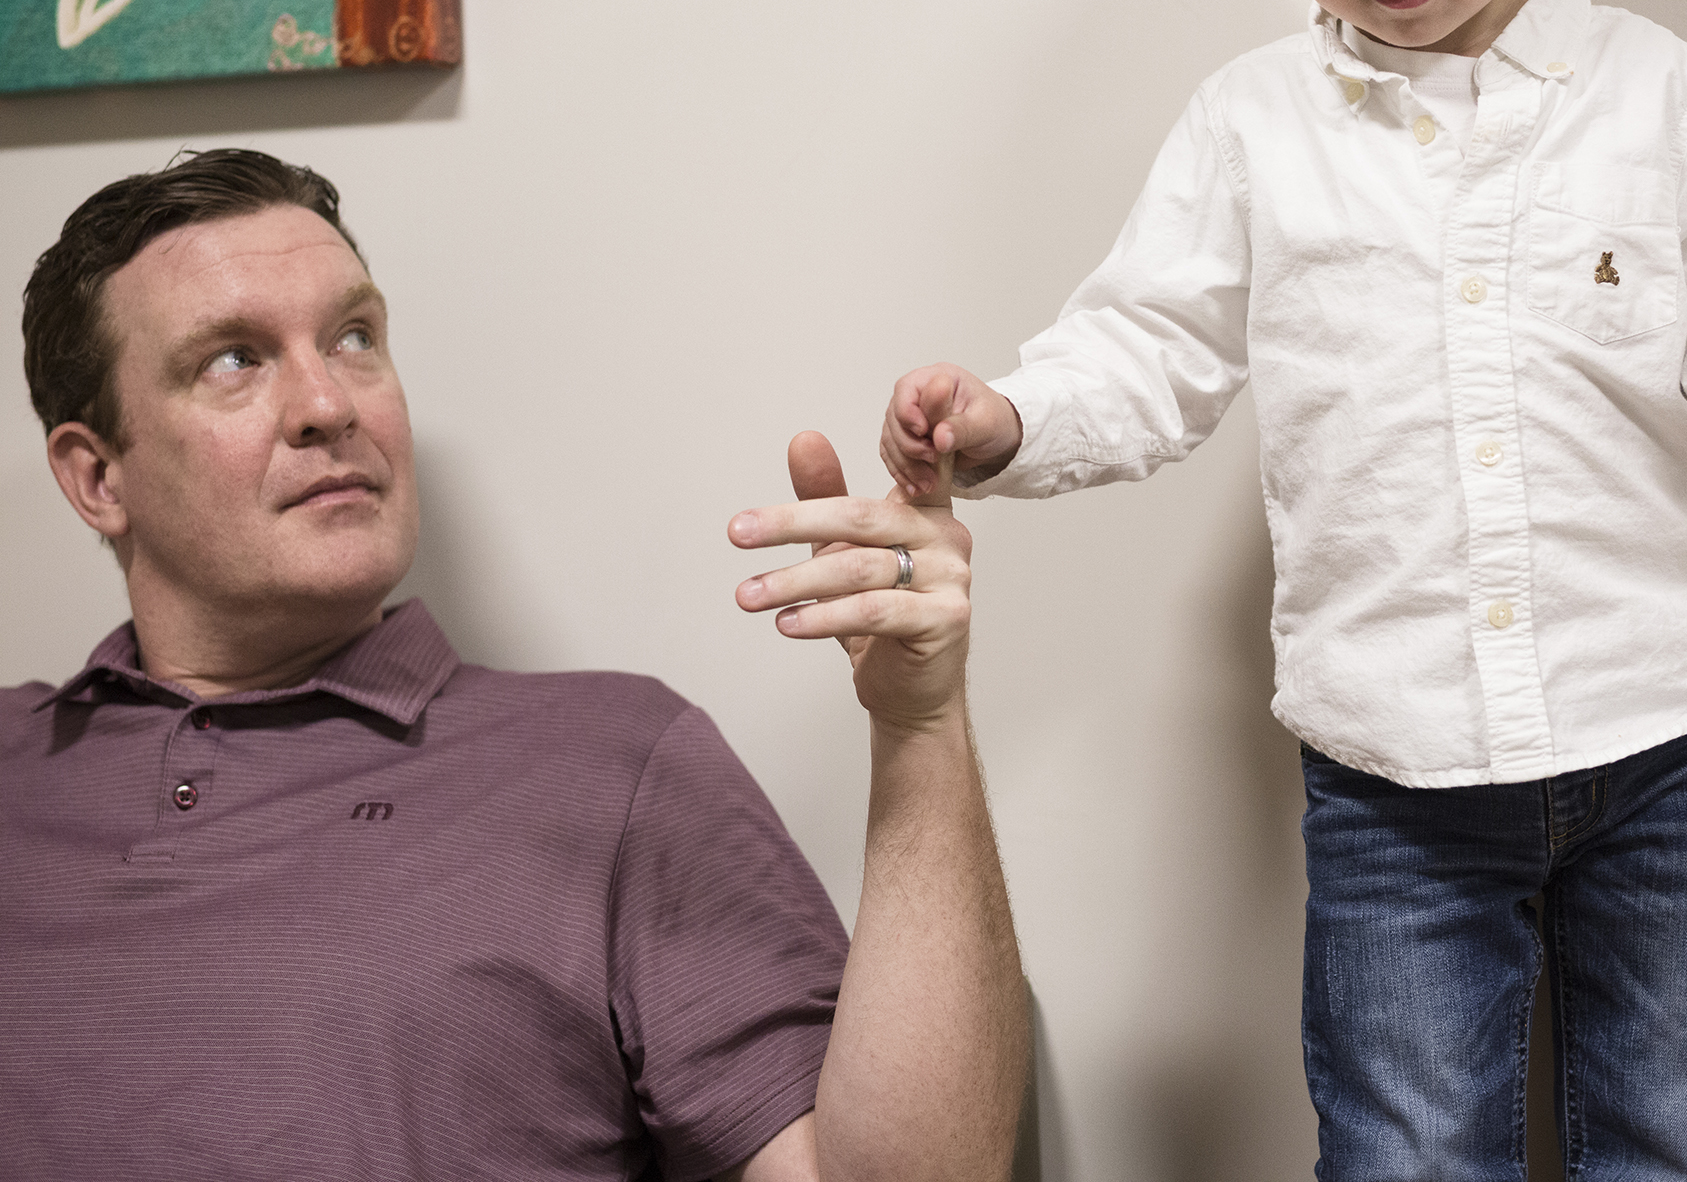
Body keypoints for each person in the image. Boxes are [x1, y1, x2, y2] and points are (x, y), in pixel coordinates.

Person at [878, 0, 1687, 1177]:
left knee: (1678, 1145)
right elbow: (1145, 350)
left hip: (1669, 741)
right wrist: (1008, 423)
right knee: (1404, 1155)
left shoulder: (1660, 90)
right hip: (1392, 776)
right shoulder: (1252, 124)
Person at [1, 148, 1030, 1181]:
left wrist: (919, 721)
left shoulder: (614, 762)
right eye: (233, 358)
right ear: (98, 477)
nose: (328, 403)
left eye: (355, 337)